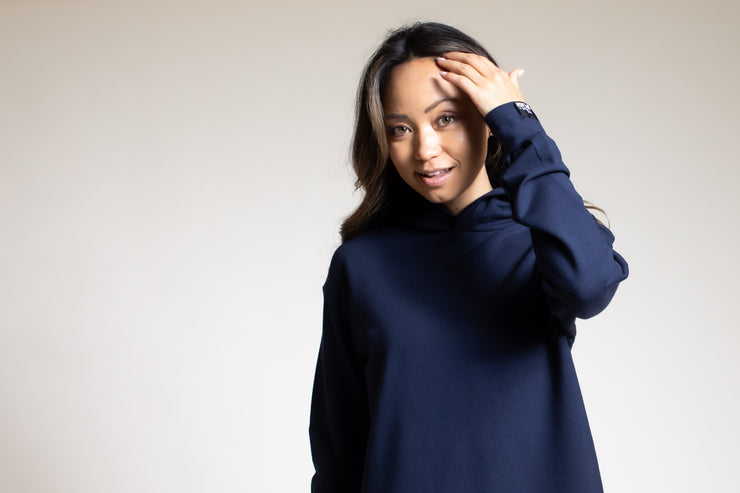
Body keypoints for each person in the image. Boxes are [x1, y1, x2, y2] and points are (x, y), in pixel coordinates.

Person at [309, 22, 628, 493]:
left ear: (486, 119)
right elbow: (340, 452)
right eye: (401, 129)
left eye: (446, 119)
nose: (425, 149)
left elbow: (591, 285)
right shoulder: (361, 265)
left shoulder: (542, 241)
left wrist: (519, 123)